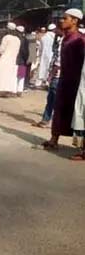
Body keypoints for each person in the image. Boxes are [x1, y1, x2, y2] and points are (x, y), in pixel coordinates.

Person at [41, 9, 85, 150]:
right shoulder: (65, 38)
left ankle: (81, 147)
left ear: (75, 21)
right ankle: (54, 139)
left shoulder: (80, 40)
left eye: (65, 18)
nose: (62, 20)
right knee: (59, 109)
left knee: (77, 113)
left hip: (77, 82)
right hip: (64, 79)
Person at [34, 27, 63, 128]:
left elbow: (59, 61)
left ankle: (52, 122)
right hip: (54, 71)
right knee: (51, 99)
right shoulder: (57, 39)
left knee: (55, 100)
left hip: (58, 74)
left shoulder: (63, 41)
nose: (55, 32)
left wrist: (51, 75)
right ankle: (46, 120)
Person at [0, 23, 21, 97]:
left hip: (4, 59)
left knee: (2, 75)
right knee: (9, 76)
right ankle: (7, 91)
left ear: (8, 29)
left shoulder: (6, 37)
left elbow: (2, 50)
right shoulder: (17, 39)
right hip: (12, 60)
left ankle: (1, 91)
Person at [15, 25, 29, 96]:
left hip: (15, 60)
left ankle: (14, 90)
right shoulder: (25, 39)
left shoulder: (15, 39)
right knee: (21, 76)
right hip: (22, 60)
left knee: (15, 76)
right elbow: (26, 51)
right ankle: (19, 90)